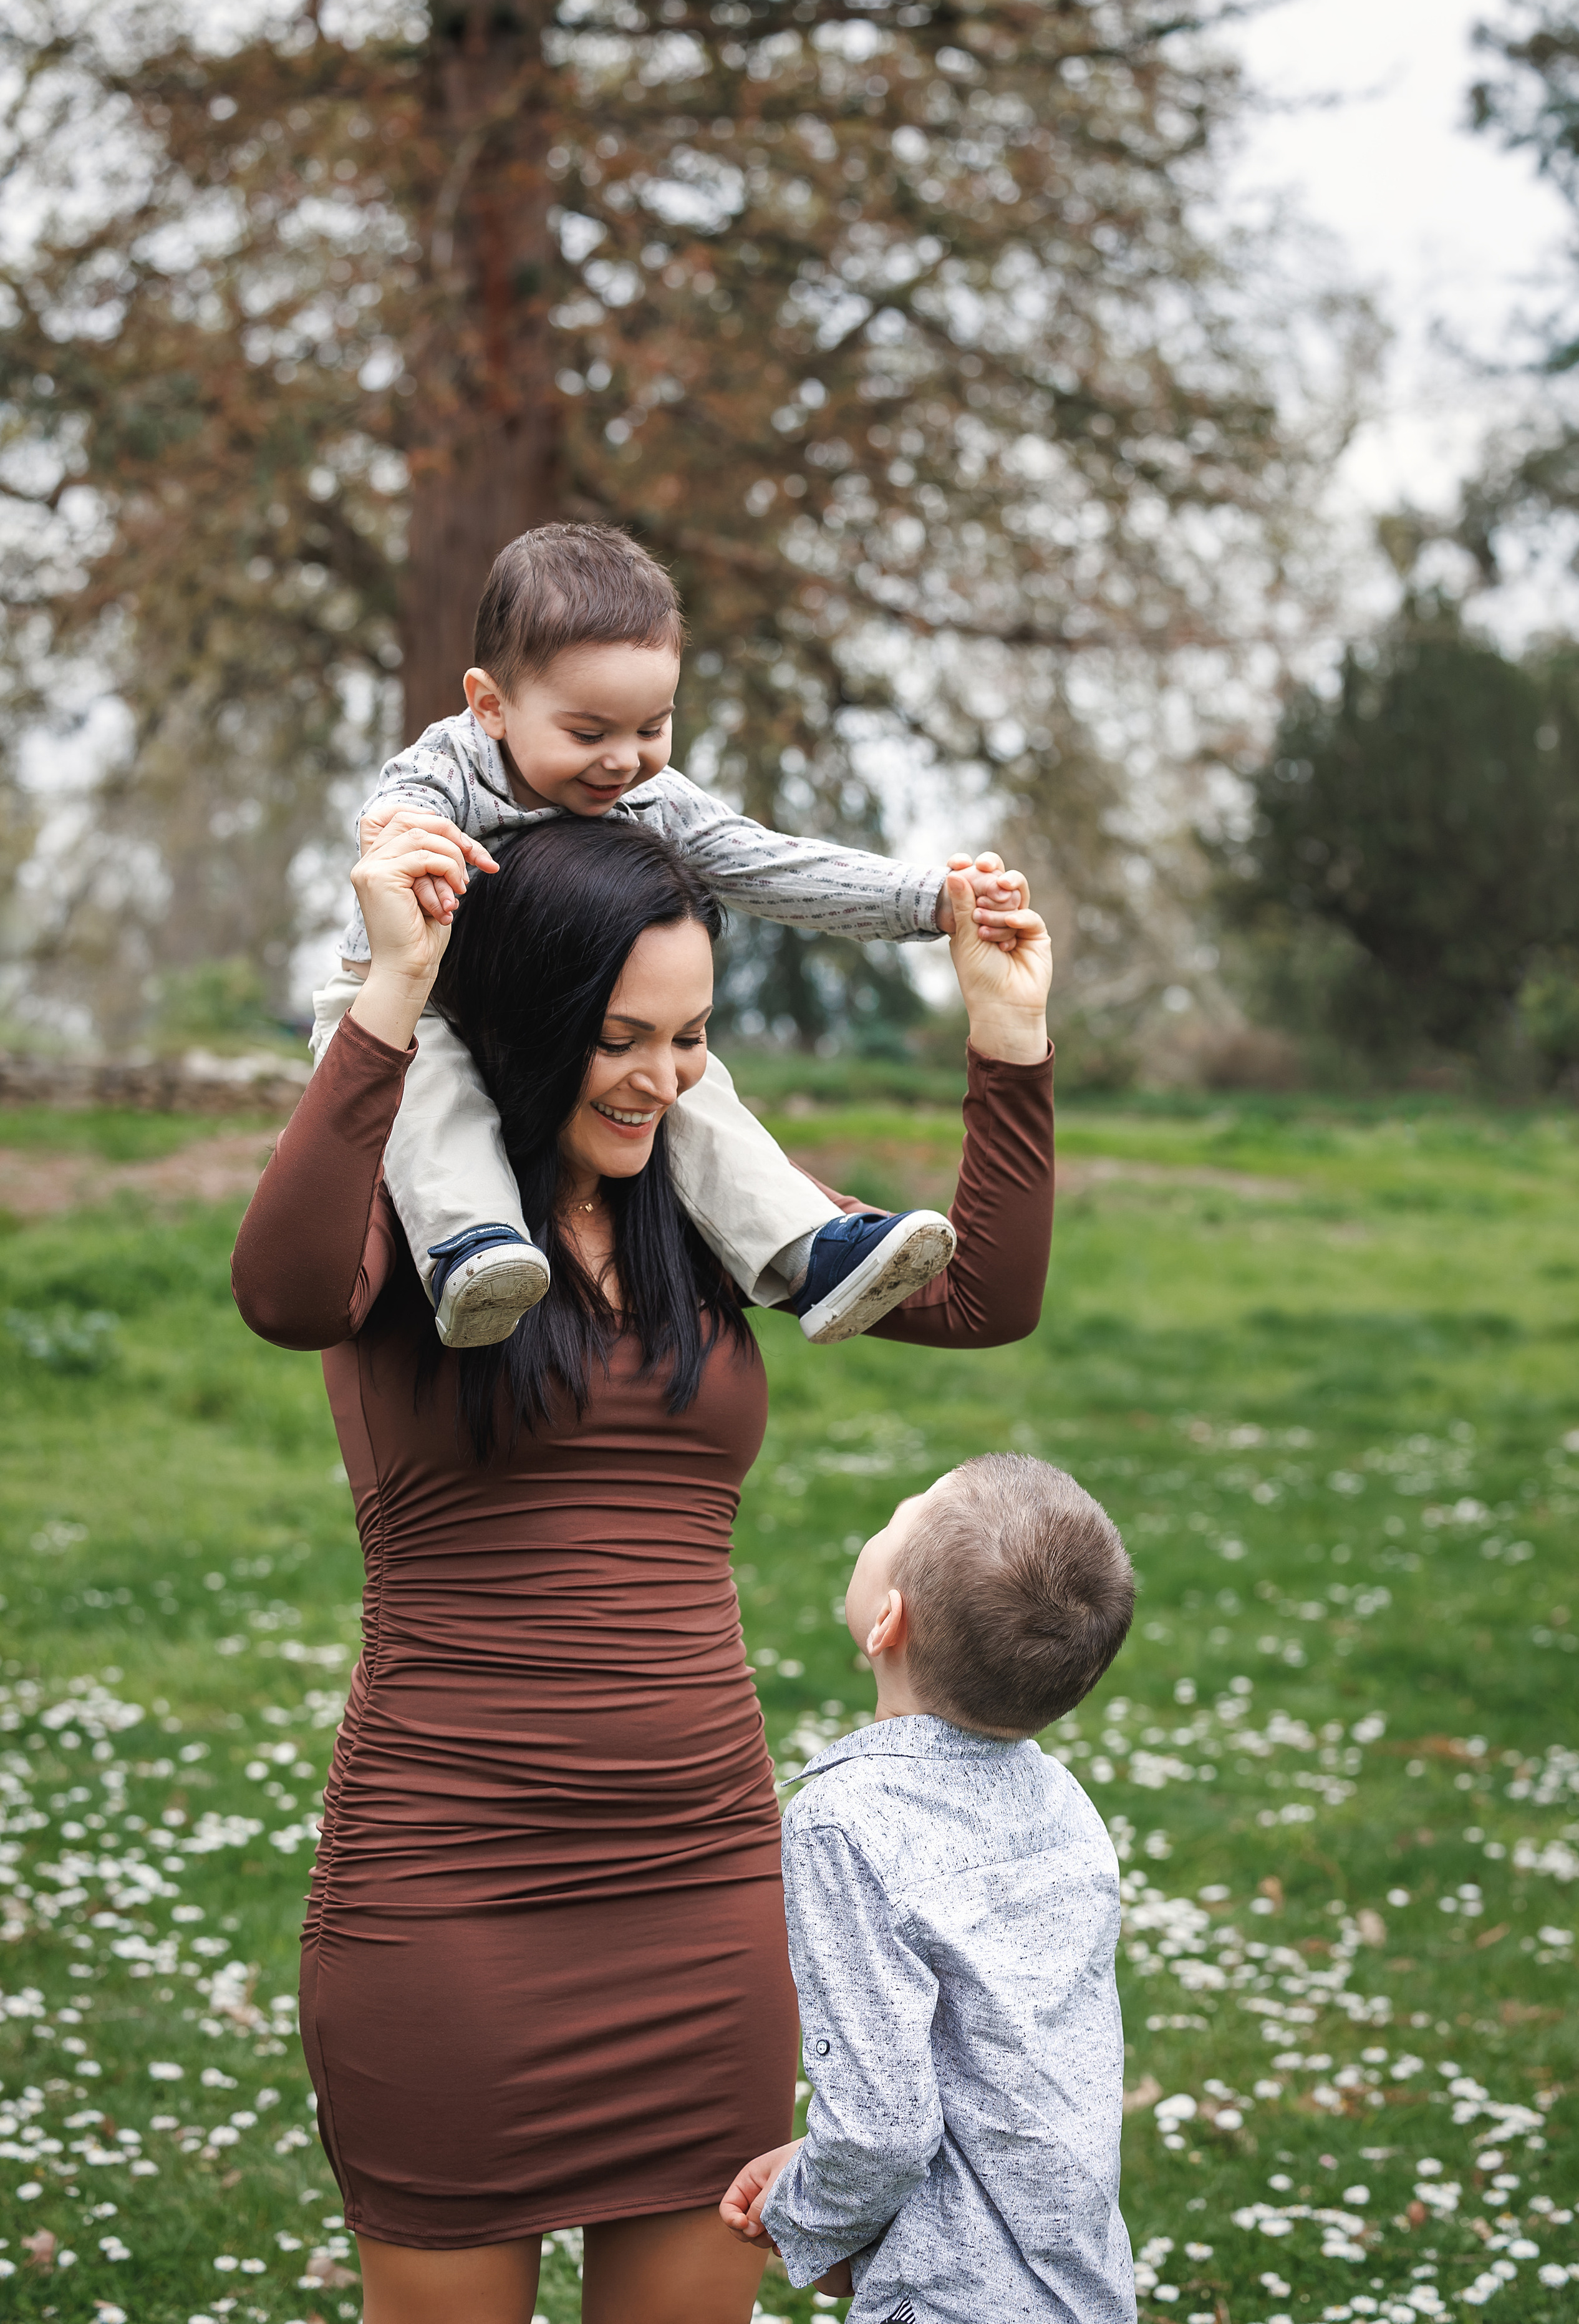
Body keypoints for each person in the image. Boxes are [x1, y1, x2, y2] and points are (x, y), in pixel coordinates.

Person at [231, 797, 1057, 2324]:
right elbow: (281, 1293)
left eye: (689, 1038)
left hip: (702, 1897)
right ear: (535, 1015)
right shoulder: (421, 1219)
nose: (662, 1077)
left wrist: (1006, 1037)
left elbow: (982, 1303)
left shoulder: (694, 1196)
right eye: (623, 1037)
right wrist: (390, 995)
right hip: (448, 1895)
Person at [311, 519, 1028, 1348]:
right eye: (589, 733)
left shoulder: (657, 799)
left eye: (652, 728)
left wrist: (932, 901)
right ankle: (472, 1246)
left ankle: (811, 1250)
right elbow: (392, 821)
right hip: (411, 1003)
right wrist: (412, 854)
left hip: (573, 1018)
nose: (623, 761)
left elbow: (764, 863)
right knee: (434, 1091)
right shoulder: (446, 770)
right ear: (490, 705)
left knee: (692, 1089)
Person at [720, 1453, 1137, 2324]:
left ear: (886, 1619)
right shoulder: (1064, 1801)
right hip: (1081, 2285)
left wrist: (805, 2211)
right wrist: (818, 2158)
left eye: (895, 1519)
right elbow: (998, 2062)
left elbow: (882, 2128)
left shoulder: (843, 1820)